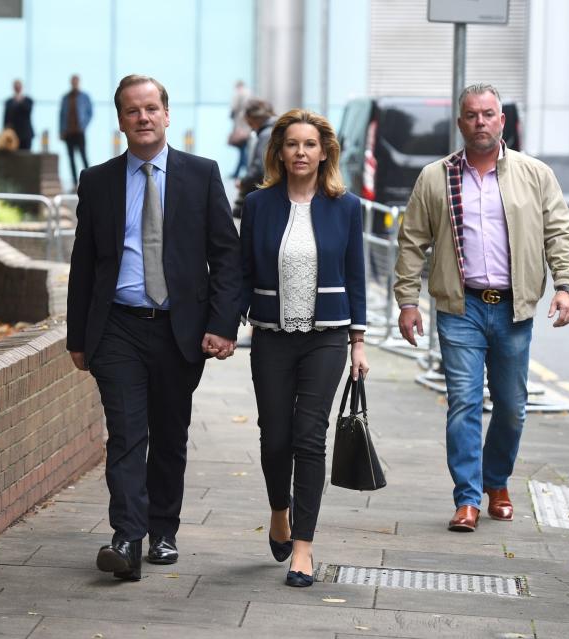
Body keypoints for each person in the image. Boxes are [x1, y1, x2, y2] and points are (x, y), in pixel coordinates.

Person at [66, 74, 242, 581]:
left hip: (178, 330)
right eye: (131, 111)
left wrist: (223, 324)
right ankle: (126, 537)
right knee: (125, 433)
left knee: (169, 433)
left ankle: (163, 531)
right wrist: (79, 337)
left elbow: (226, 257)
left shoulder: (201, 174)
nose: (142, 118)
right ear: (120, 121)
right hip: (117, 326)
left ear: (167, 114)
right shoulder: (98, 181)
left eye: (151, 109)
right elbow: (84, 263)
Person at [394, 83, 569, 533]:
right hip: (461, 308)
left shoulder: (535, 174)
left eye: (489, 114)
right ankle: (468, 498)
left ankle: (497, 482)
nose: (481, 122)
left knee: (512, 406)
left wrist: (565, 286)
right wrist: (407, 301)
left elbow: (559, 232)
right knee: (463, 402)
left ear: (502, 121)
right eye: (472, 115)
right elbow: (412, 241)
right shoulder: (436, 177)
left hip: (514, 310)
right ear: (460, 123)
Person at [239, 109, 368, 587]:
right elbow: (242, 272)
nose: (301, 152)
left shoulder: (346, 206)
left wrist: (359, 342)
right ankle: (279, 510)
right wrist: (222, 325)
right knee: (274, 436)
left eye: (309, 145)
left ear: (324, 152)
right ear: (279, 151)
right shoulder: (258, 206)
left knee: (309, 437)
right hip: (271, 336)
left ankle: (304, 548)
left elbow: (355, 274)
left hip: (328, 337)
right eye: (292, 144)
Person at [232, 99, 277, 219]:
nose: (251, 128)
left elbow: (261, 168)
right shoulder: (275, 129)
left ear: (254, 118)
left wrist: (243, 181)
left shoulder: (266, 134)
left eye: (250, 123)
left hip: (268, 193)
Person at [59, 74, 93, 184]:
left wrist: (83, 125)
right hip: (68, 132)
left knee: (83, 156)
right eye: (73, 81)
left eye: (76, 81)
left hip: (79, 132)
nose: (74, 83)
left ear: (78, 82)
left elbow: (90, 113)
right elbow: (61, 115)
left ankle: (89, 180)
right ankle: (74, 182)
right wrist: (61, 130)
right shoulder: (65, 98)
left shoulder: (84, 96)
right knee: (71, 158)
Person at [228, 80, 252, 177]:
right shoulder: (250, 93)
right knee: (243, 150)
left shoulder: (239, 94)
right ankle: (239, 172)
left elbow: (233, 108)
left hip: (241, 127)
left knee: (242, 150)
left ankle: (244, 171)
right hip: (247, 127)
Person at [3, 79, 34, 150]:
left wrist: (19, 100)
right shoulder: (9, 102)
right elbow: (6, 118)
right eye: (16, 86)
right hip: (12, 134)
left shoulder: (28, 100)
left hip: (26, 134)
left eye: (19, 86)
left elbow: (28, 111)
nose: (17, 88)